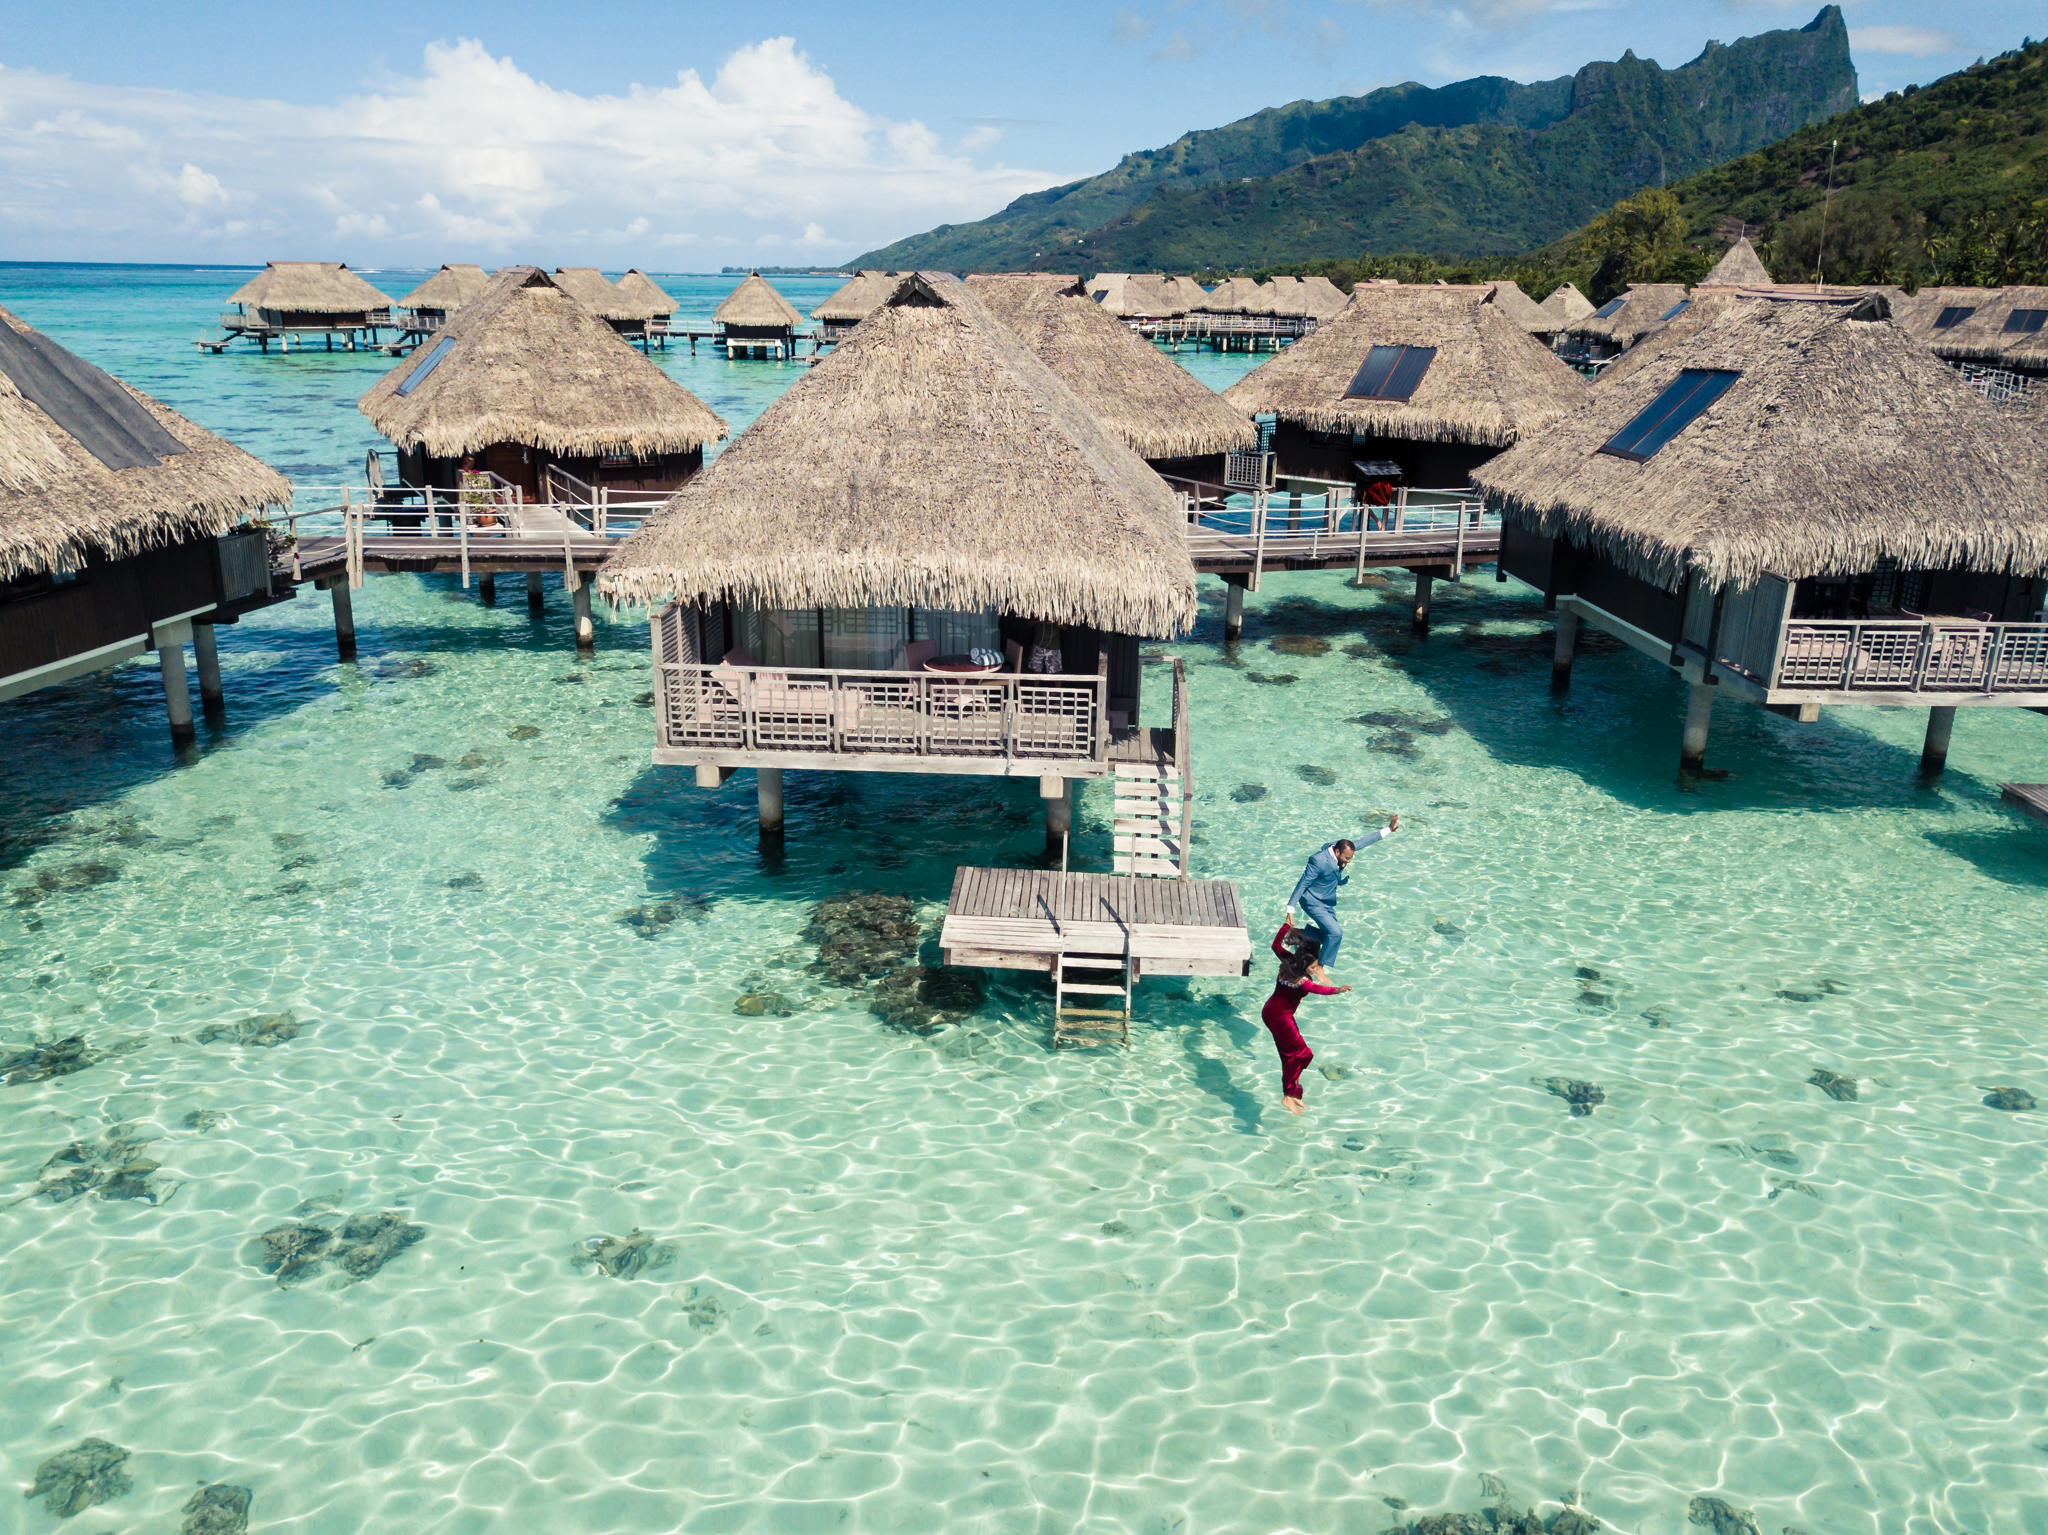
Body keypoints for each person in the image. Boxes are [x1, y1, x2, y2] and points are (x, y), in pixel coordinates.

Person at [1286, 815, 1398, 971]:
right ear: (1337, 852)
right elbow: (1303, 883)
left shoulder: (1342, 849)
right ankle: (1318, 967)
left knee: (1330, 937)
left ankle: (1299, 934)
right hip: (1312, 900)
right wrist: (1291, 908)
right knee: (1336, 933)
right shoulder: (1318, 861)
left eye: (1350, 858)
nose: (1349, 861)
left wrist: (1389, 829)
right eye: (1346, 858)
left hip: (1327, 901)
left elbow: (1362, 842)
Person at [1263, 919, 1349, 1113]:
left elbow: (1275, 945)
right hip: (1279, 1018)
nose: (1316, 969)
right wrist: (1337, 990)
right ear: (1306, 962)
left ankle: (1292, 1093)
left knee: (1299, 1056)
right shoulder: (1301, 980)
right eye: (1314, 966)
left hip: (1274, 1013)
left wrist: (1286, 926)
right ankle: (1288, 1095)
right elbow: (1317, 989)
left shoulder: (1288, 962)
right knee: (1300, 1054)